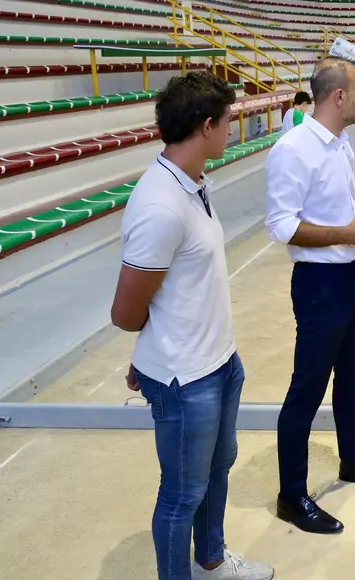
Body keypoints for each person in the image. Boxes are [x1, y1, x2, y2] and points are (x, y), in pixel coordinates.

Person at [111, 71, 272, 580]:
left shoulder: (194, 182)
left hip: (219, 362)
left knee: (217, 470)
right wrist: (152, 356)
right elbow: (125, 312)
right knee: (183, 493)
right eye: (229, 121)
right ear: (206, 126)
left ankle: (211, 561)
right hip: (185, 377)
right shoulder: (160, 206)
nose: (233, 128)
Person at [264, 57, 355, 536]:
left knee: (353, 380)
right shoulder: (293, 149)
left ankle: (352, 460)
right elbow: (283, 226)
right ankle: (292, 494)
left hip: (353, 277)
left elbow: (338, 208)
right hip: (320, 285)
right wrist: (347, 233)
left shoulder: (340, 144)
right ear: (339, 97)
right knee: (306, 390)